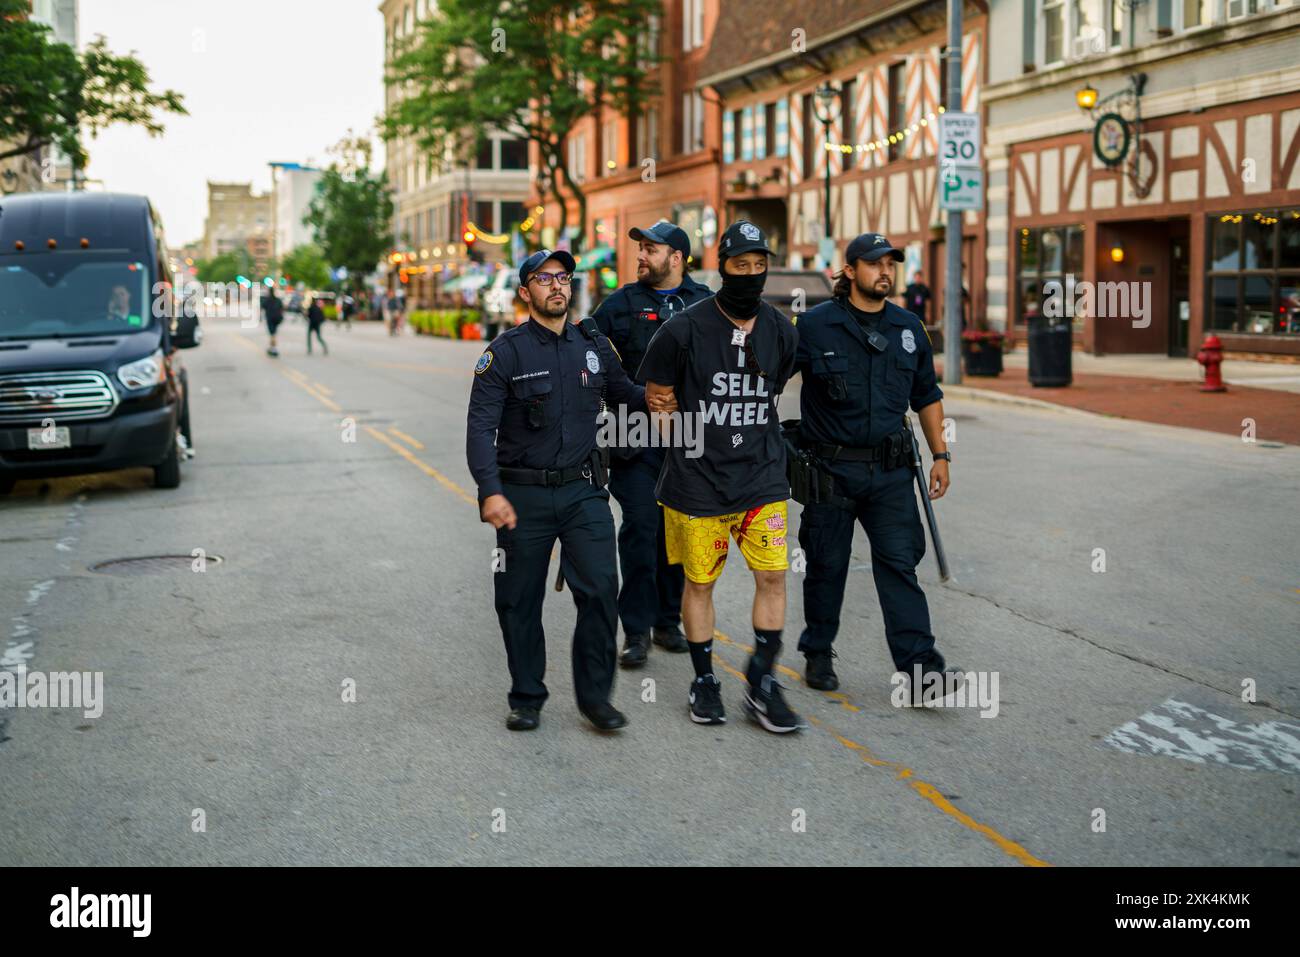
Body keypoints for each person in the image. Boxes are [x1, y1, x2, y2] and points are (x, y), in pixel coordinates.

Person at [466, 249, 675, 733]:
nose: (557, 285)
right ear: (525, 292)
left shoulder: (593, 345)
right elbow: (480, 429)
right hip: (522, 496)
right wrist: (490, 492)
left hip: (584, 491)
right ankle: (527, 697)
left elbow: (626, 392)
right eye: (544, 279)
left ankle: (596, 699)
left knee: (602, 588)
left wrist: (661, 396)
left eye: (563, 277)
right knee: (518, 600)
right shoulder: (505, 353)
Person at [637, 221, 802, 734]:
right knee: (699, 581)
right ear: (722, 267)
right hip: (699, 483)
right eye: (740, 266)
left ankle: (762, 681)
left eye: (760, 266)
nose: (751, 275)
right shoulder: (683, 329)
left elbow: (777, 389)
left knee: (773, 576)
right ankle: (704, 679)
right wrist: (685, 445)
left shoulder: (781, 330)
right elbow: (658, 395)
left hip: (763, 479)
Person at [790, 232, 960, 700]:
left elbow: (927, 396)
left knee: (899, 566)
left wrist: (941, 454)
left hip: (890, 472)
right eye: (873, 264)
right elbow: (767, 381)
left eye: (891, 264)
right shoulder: (814, 326)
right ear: (850, 271)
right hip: (830, 471)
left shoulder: (909, 328)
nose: (885, 272)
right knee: (827, 565)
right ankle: (818, 651)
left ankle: (922, 670)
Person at [592, 220, 712, 668]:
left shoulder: (705, 305)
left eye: (650, 250)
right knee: (642, 528)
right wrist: (622, 391)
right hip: (634, 440)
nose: (640, 256)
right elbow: (592, 352)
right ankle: (636, 631)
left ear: (676, 258)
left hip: (687, 441)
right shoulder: (619, 304)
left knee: (677, 533)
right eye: (639, 249)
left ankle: (667, 621)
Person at [262, 288, 284, 357]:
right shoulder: (278, 300)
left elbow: (263, 306)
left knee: (272, 334)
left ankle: (273, 349)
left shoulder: (267, 300)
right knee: (273, 334)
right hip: (277, 319)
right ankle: (272, 348)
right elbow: (282, 308)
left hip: (270, 319)